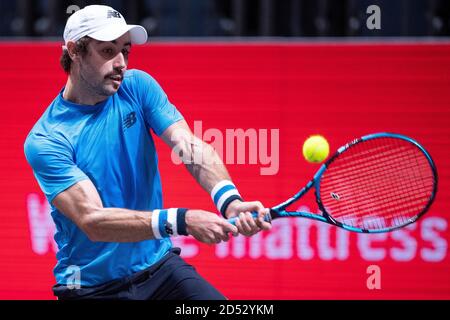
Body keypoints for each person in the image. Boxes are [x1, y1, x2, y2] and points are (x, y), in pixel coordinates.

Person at [23, 5, 271, 300]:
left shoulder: (137, 87)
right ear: (75, 50)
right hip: (90, 288)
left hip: (160, 270)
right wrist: (182, 220)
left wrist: (229, 200)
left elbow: (188, 145)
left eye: (125, 51)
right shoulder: (47, 139)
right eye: (107, 51)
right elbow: (93, 220)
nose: (120, 63)